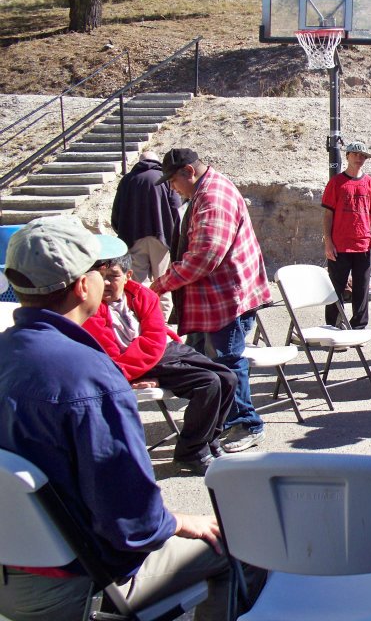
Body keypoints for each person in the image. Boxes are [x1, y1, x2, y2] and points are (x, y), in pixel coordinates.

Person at [0, 216, 251, 621]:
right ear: (84, 285)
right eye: (98, 269)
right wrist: (180, 521)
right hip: (75, 577)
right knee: (244, 546)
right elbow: (134, 525)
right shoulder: (90, 379)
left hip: (8, 565)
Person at [151, 148, 271, 454]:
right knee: (205, 361)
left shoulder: (213, 198)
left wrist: (161, 284)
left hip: (226, 299)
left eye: (173, 181)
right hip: (217, 298)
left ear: (188, 172)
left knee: (227, 363)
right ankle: (217, 419)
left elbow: (204, 257)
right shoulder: (207, 189)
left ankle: (246, 423)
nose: (172, 188)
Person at [83, 253, 237, 475]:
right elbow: (109, 353)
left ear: (128, 276)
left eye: (113, 276)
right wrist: (133, 376)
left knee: (228, 378)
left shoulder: (141, 295)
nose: (106, 283)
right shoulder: (92, 307)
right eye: (101, 277)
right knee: (208, 383)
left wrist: (145, 362)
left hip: (162, 351)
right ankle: (191, 452)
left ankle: (209, 440)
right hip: (136, 361)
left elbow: (155, 333)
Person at [111, 151, 182, 320]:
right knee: (163, 280)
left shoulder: (127, 180)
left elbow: (117, 212)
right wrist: (177, 235)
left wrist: (120, 230)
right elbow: (176, 207)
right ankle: (162, 322)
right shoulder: (165, 178)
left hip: (133, 237)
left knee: (138, 283)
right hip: (162, 237)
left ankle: (143, 318)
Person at [321, 141, 371, 329]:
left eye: (363, 156)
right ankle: (333, 326)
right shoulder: (336, 182)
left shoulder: (370, 183)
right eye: (356, 154)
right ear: (347, 156)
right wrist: (328, 242)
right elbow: (327, 214)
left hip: (363, 244)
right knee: (336, 288)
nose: (359, 158)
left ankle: (358, 327)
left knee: (362, 289)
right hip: (339, 245)